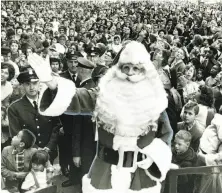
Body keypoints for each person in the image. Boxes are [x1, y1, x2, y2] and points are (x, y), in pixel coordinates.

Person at [28, 41, 172, 193]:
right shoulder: (104, 95)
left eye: (136, 68)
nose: (130, 73)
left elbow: (166, 134)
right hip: (105, 172)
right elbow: (78, 98)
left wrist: (152, 159)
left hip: (141, 175)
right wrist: (51, 82)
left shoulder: (154, 100)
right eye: (126, 67)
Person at [8, 67, 61, 164]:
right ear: (22, 85)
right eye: (27, 84)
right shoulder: (14, 108)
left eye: (34, 83)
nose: (31, 87)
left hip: (49, 153)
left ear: (40, 83)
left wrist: (49, 147)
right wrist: (36, 149)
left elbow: (57, 126)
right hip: (28, 154)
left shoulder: (50, 103)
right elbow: (16, 134)